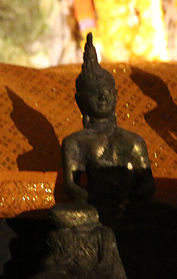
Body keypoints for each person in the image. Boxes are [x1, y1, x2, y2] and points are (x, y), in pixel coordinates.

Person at [62, 33, 154, 219]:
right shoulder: (75, 142)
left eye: (107, 92)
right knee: (63, 216)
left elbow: (147, 184)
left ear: (116, 95)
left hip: (130, 207)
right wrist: (96, 199)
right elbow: (72, 185)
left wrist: (128, 200)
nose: (103, 97)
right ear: (80, 101)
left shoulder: (134, 141)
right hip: (94, 207)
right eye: (94, 93)